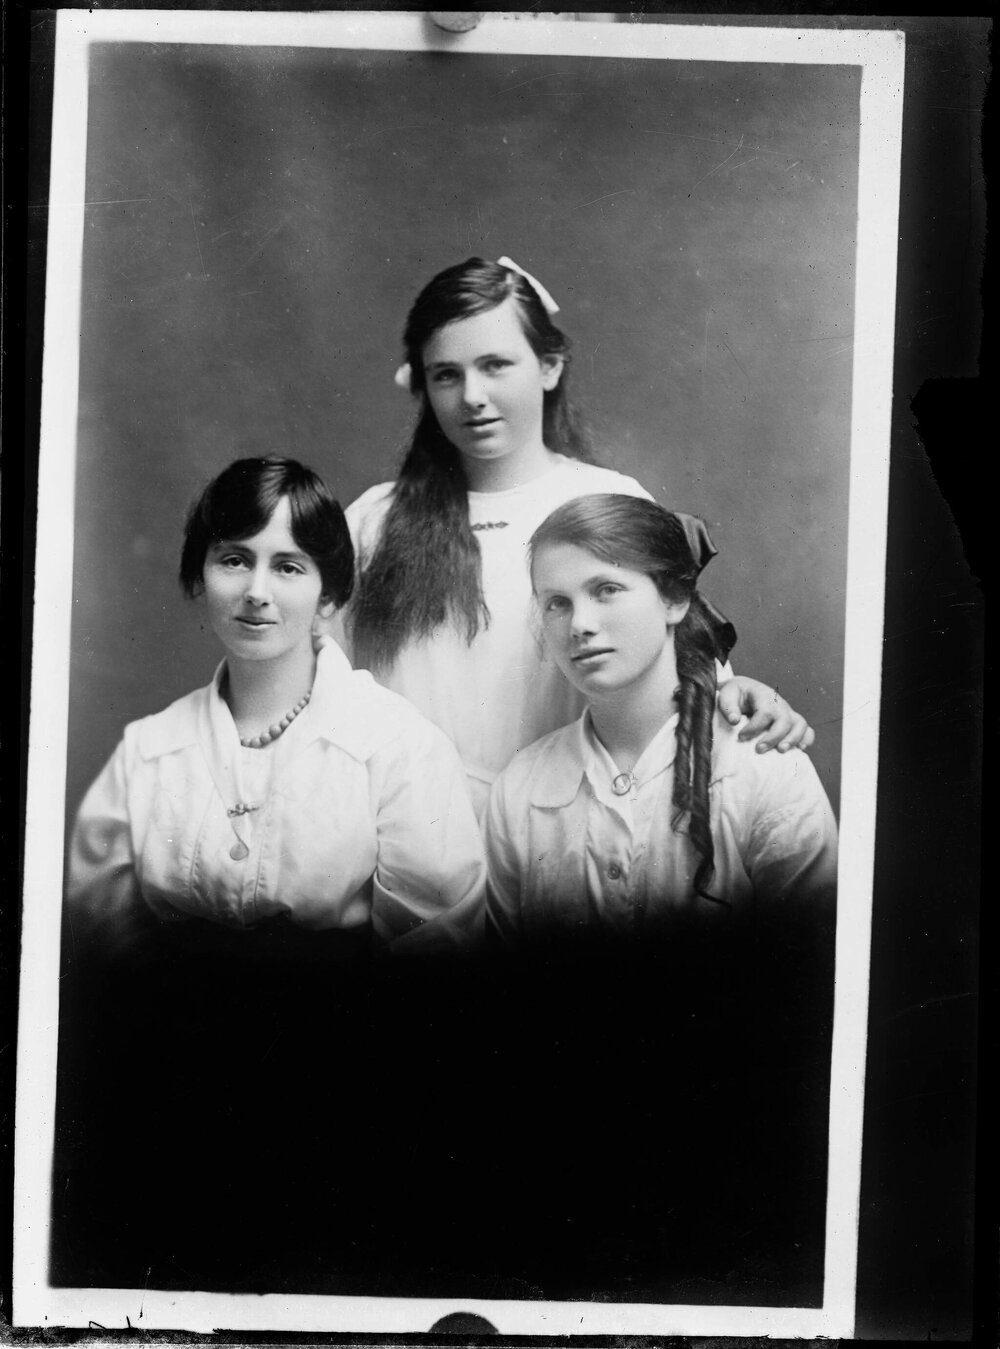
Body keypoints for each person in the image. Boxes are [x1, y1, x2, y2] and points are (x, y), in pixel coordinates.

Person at [339, 256, 814, 818]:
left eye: (496, 365)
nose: (472, 395)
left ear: (548, 366)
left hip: (560, 823)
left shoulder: (606, 499)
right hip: (408, 833)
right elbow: (328, 687)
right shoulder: (374, 521)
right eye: (447, 373)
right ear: (422, 383)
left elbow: (674, 655)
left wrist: (734, 693)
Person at [67, 455, 485, 958]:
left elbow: (435, 949)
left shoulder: (399, 748)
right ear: (200, 577)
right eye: (235, 560)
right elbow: (99, 944)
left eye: (288, 567)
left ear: (327, 598)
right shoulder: (149, 750)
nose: (256, 592)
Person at [484, 493, 838, 943]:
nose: (580, 624)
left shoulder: (761, 765)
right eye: (557, 602)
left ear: (674, 599)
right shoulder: (520, 789)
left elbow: (814, 966)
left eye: (606, 590)